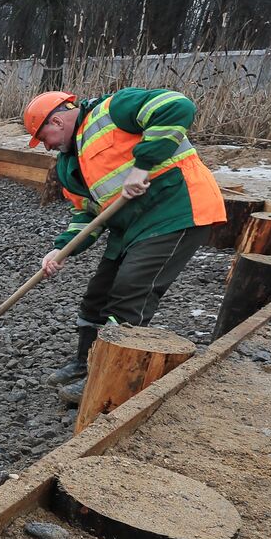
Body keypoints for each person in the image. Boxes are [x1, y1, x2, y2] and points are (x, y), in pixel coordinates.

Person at [23, 87, 226, 405]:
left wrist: (141, 167)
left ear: (58, 120)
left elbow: (177, 106)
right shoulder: (67, 165)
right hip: (130, 227)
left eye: (42, 135)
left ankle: (105, 379)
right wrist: (61, 249)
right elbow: (87, 215)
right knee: (95, 298)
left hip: (176, 209)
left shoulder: (112, 111)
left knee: (131, 291)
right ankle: (85, 362)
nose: (46, 145)